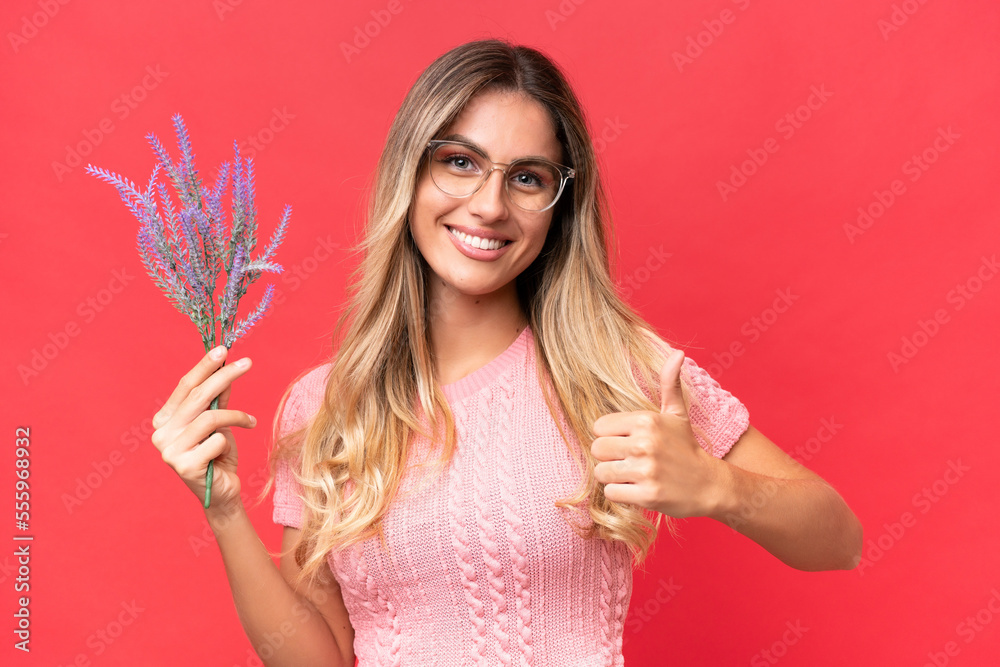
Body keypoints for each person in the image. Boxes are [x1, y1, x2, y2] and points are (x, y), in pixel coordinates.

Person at [150, 39, 862, 666]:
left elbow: (839, 537)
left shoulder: (617, 368)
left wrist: (715, 485)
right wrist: (225, 512)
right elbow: (323, 660)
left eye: (527, 177)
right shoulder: (326, 405)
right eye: (460, 163)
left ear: (557, 205)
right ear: (412, 173)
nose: (490, 205)